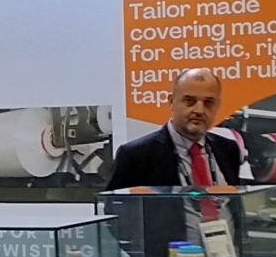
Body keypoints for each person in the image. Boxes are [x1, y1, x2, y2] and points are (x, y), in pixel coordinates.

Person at [105, 69, 248, 191]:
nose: (199, 110)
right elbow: (116, 208)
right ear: (171, 102)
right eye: (189, 101)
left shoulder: (229, 149)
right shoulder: (136, 156)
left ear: (218, 105)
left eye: (208, 103)